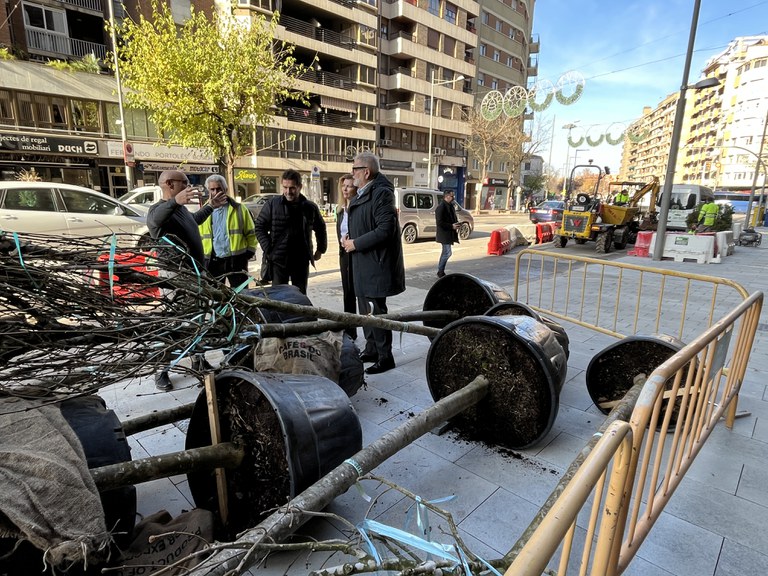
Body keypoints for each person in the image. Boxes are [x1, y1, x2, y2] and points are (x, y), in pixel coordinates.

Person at [147, 170, 228, 391]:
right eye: (184, 183)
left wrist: (211, 206)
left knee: (196, 320)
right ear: (169, 184)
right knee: (174, 323)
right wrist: (175, 201)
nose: (188, 186)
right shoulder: (158, 210)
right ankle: (161, 369)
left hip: (194, 275)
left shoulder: (180, 210)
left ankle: (197, 361)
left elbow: (193, 221)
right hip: (175, 278)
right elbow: (154, 221)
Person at [342, 152, 405, 375]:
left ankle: (385, 357)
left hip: (375, 264)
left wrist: (355, 244)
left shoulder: (381, 193)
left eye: (355, 169)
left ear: (366, 172)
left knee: (377, 313)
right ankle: (371, 349)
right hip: (362, 264)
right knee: (365, 312)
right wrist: (348, 238)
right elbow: (362, 222)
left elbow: (385, 230)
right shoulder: (363, 193)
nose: (352, 173)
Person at [254, 169, 327, 295]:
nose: (288, 191)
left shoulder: (310, 207)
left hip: (301, 260)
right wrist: (268, 248)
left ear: (300, 187)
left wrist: (320, 249)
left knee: (299, 296)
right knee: (279, 297)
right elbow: (259, 227)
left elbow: (320, 228)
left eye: (292, 188)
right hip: (278, 261)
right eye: (285, 187)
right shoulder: (272, 204)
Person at [198, 174, 257, 288]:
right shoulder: (204, 211)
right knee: (215, 295)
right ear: (208, 190)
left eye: (219, 189)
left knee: (241, 293)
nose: (216, 192)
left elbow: (251, 233)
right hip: (213, 261)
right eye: (212, 189)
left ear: (225, 189)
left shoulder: (239, 209)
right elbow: (199, 236)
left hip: (236, 260)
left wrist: (250, 252)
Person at [336, 173, 358, 339]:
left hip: (357, 254)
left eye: (349, 186)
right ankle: (350, 330)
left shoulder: (357, 208)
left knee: (359, 293)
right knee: (347, 293)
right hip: (344, 254)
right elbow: (339, 232)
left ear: (355, 188)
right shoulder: (340, 210)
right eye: (343, 186)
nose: (345, 189)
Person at [435, 190, 460, 278]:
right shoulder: (441, 207)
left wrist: (456, 224)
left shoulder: (451, 206)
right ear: (447, 196)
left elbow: (453, 217)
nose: (453, 198)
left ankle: (440, 271)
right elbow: (439, 222)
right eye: (452, 196)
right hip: (444, 234)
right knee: (447, 253)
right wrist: (451, 226)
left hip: (449, 233)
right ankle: (440, 271)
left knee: (445, 252)